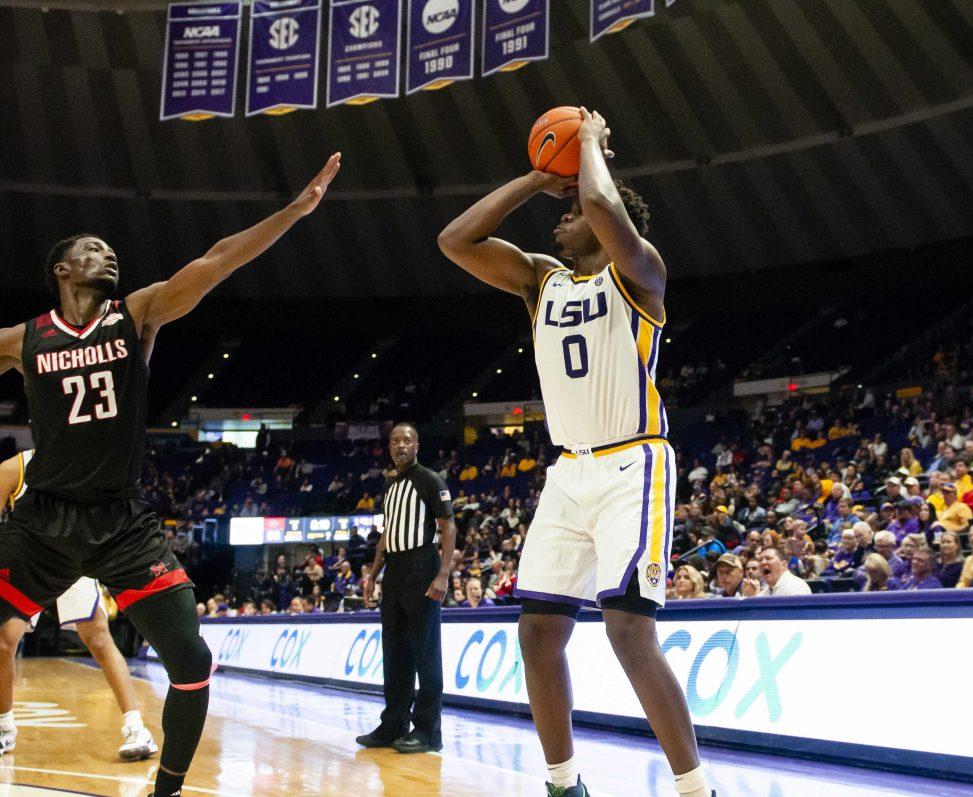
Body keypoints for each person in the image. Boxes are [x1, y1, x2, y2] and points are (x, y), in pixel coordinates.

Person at [0, 153, 339, 797]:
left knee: (191, 660)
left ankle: (169, 789)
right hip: (41, 518)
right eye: (95, 250)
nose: (111, 256)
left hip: (121, 523)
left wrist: (293, 211)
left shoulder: (138, 313)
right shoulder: (26, 338)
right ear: (62, 270)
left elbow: (220, 259)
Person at [437, 107, 713, 797]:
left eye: (570, 211)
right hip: (569, 470)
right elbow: (455, 239)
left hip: (634, 463)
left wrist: (587, 143)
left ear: (612, 222)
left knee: (627, 631)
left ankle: (695, 789)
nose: (560, 218)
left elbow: (595, 197)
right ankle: (564, 785)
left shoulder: (642, 274)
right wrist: (536, 177)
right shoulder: (541, 281)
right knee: (536, 633)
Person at [0, 450, 157, 759]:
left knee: (99, 638)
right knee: (5, 642)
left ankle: (136, 727)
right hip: (29, 563)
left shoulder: (85, 462)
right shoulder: (14, 467)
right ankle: (5, 728)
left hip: (73, 561)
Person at [356, 424, 458, 755]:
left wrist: (443, 573)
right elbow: (387, 535)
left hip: (422, 566)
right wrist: (372, 574)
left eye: (407, 440)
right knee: (395, 651)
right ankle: (393, 724)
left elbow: (448, 526)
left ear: (417, 445)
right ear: (389, 446)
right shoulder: (390, 486)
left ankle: (428, 731)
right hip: (395, 571)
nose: (401, 445)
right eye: (395, 440)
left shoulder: (429, 480)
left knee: (425, 651)